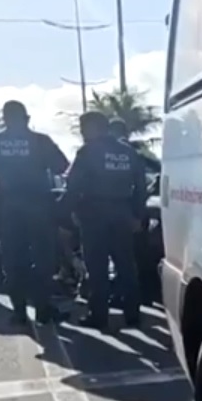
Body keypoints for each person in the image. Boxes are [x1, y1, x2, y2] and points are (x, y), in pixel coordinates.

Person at [0, 100, 69, 327]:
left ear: (4, 119)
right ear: (26, 118)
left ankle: (19, 313)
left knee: (13, 261)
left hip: (9, 205)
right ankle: (43, 310)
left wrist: (2, 169)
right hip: (39, 205)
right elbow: (61, 166)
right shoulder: (40, 141)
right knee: (43, 260)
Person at [65, 112, 149, 329]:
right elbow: (141, 186)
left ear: (95, 127)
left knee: (97, 267)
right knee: (126, 265)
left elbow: (73, 185)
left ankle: (99, 315)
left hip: (94, 215)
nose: (83, 133)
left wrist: (67, 210)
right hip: (123, 213)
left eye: (84, 128)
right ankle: (132, 314)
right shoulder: (127, 152)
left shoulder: (88, 151)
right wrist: (137, 215)